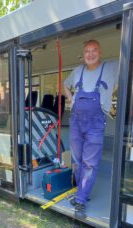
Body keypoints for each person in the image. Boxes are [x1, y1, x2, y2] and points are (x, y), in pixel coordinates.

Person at [64, 39, 119, 217]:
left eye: (94, 50)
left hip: (95, 124)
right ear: (83, 54)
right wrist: (71, 99)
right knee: (77, 161)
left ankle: (80, 200)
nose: (90, 54)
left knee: (90, 163)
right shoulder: (77, 71)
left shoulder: (111, 67)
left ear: (100, 53)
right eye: (87, 51)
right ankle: (83, 193)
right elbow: (64, 85)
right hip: (75, 123)